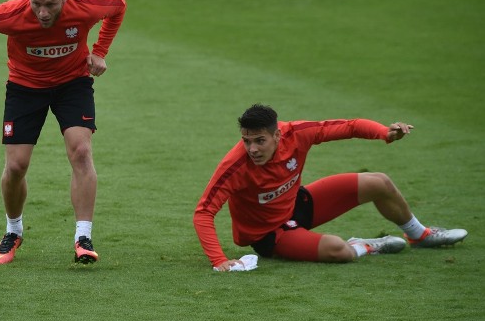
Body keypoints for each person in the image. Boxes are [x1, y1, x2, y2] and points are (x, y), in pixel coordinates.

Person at [0, 0, 126, 265]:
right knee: (17, 166)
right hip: (24, 87)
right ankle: (13, 230)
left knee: (81, 152)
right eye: (37, 3)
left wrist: (100, 51)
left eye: (50, 4)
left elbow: (118, 7)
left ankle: (83, 237)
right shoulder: (12, 13)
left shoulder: (85, 6)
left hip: (73, 84)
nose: (42, 12)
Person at [193, 104, 468, 271]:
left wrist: (384, 132)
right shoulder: (235, 167)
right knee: (340, 251)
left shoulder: (298, 133)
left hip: (297, 204)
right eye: (246, 141)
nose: (252, 149)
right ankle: (367, 246)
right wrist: (219, 260)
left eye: (259, 141)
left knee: (379, 182)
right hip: (270, 235)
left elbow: (349, 126)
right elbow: (204, 212)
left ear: (278, 134)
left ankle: (420, 236)